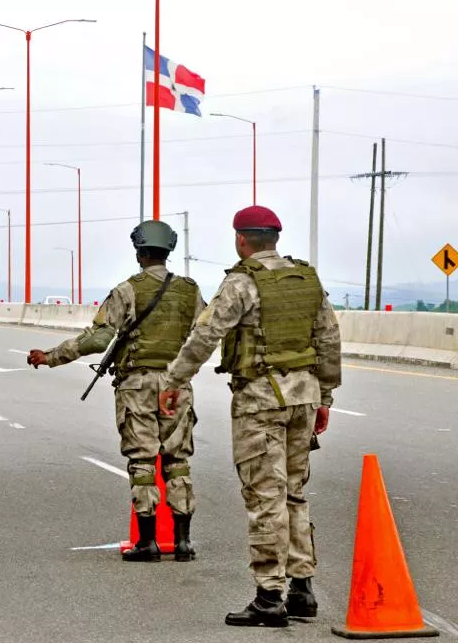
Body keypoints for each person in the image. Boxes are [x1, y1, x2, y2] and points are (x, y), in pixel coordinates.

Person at [158, 205, 341, 627]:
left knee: (264, 496)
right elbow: (329, 338)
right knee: (294, 491)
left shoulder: (241, 282)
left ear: (242, 239)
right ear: (274, 238)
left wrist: (174, 380)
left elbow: (205, 334)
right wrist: (325, 397)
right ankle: (302, 588)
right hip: (304, 398)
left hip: (261, 400)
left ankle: (268, 596)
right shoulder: (307, 279)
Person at [28, 220, 205, 562]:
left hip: (137, 386)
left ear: (140, 253)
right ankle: (183, 543)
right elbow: (205, 333)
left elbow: (97, 340)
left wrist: (50, 357)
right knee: (178, 461)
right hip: (178, 386)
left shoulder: (126, 291)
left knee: (142, 461)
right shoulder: (190, 290)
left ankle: (148, 543)